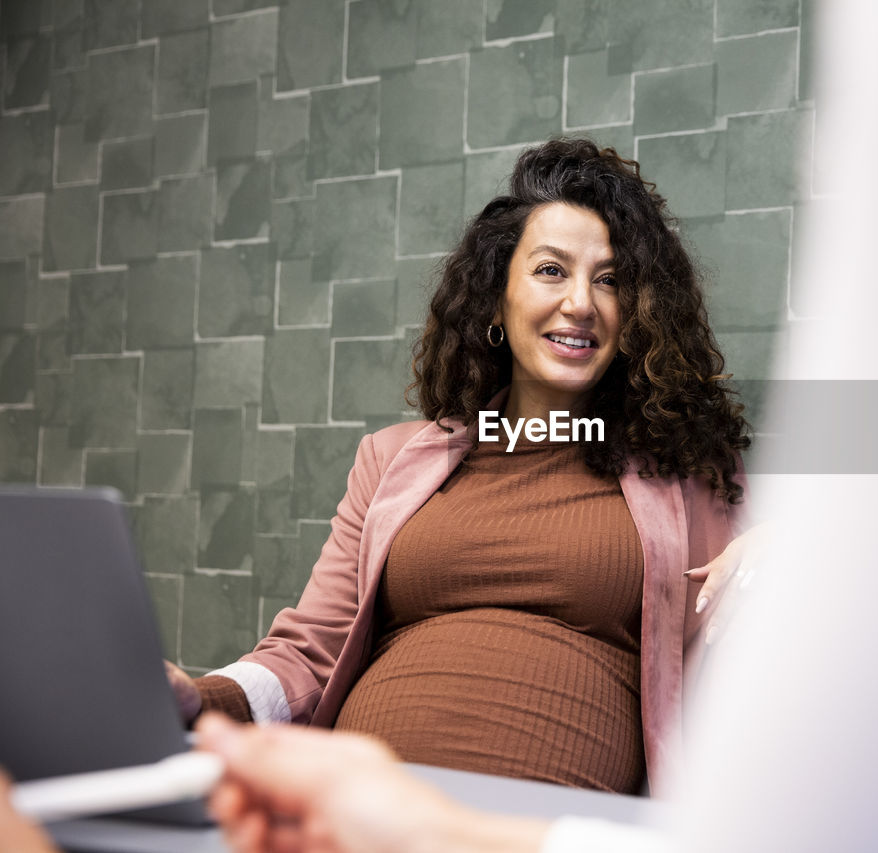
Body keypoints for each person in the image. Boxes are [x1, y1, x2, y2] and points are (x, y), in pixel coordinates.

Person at [166, 138, 754, 796]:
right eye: (552, 271)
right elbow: (311, 650)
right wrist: (201, 696)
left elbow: (791, 632)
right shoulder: (392, 461)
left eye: (610, 279)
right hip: (349, 814)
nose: (582, 302)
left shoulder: (690, 476)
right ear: (497, 300)